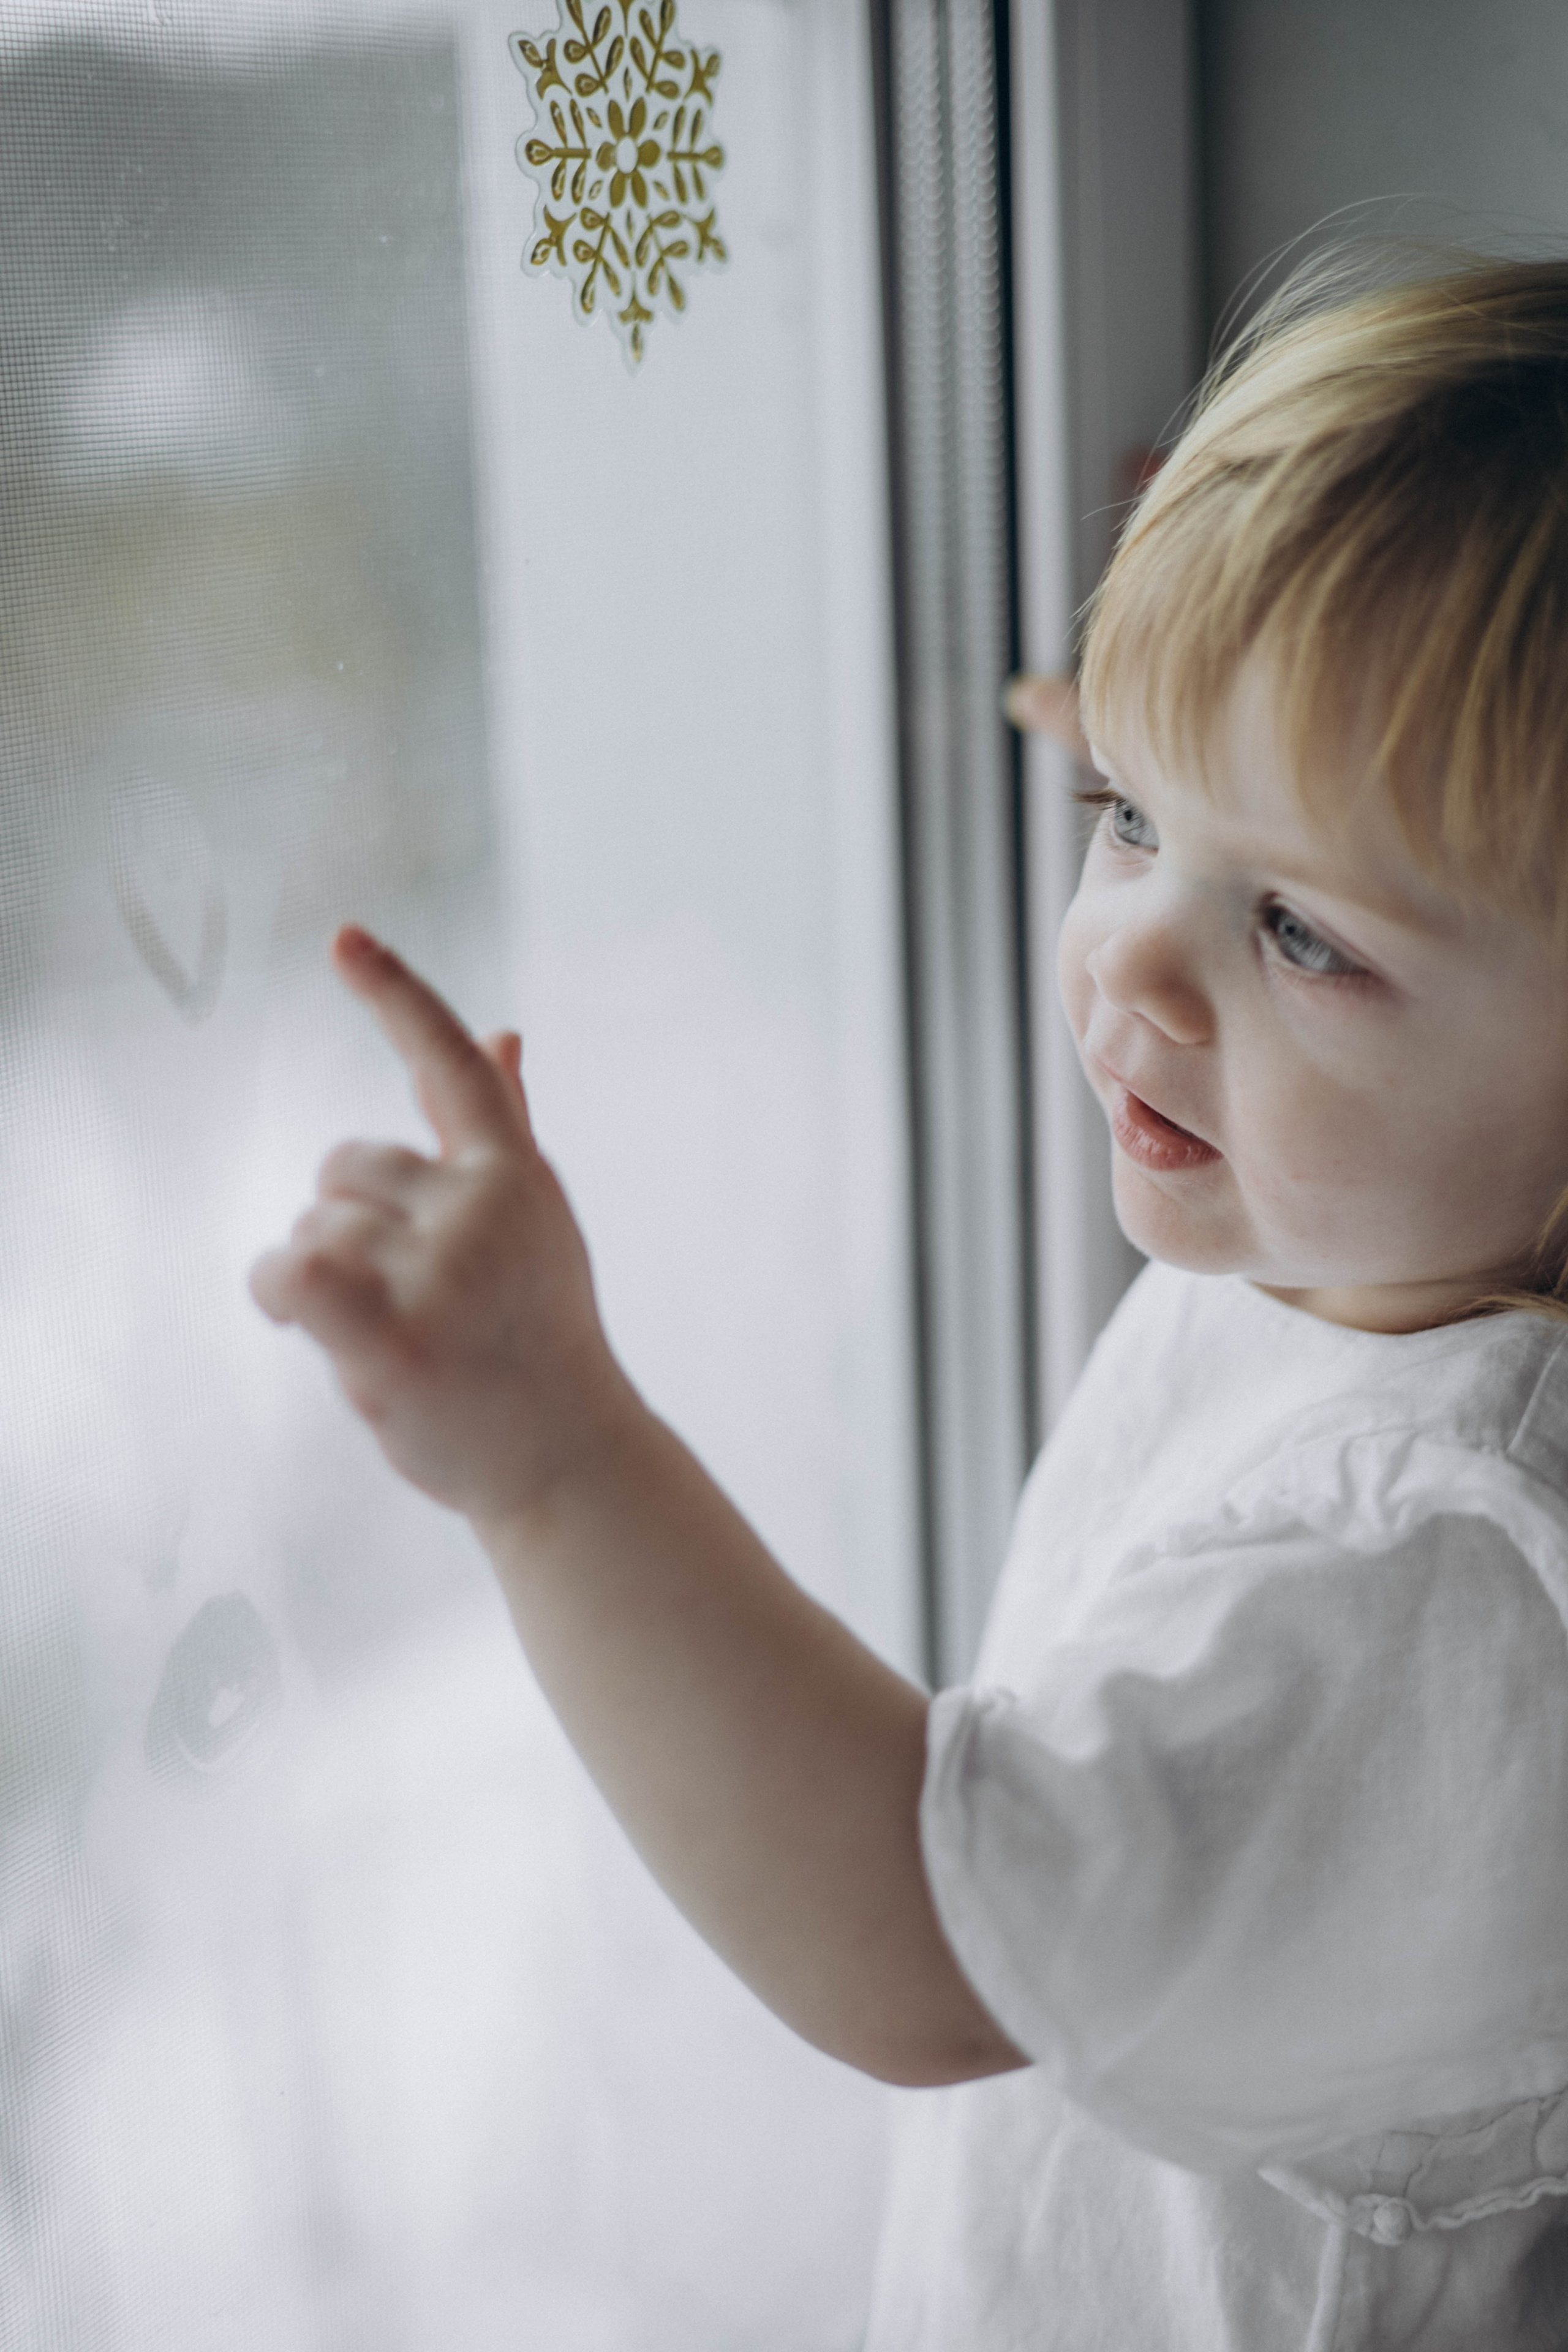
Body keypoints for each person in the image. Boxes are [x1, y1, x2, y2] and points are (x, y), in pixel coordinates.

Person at [250, 254, 1568, 2348]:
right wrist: (1256, 784)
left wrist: (553, 1459)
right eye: (1123, 813)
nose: (1131, 955)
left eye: (1302, 934)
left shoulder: (1449, 1595)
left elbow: (921, 1945)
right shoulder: (1386, 1251)